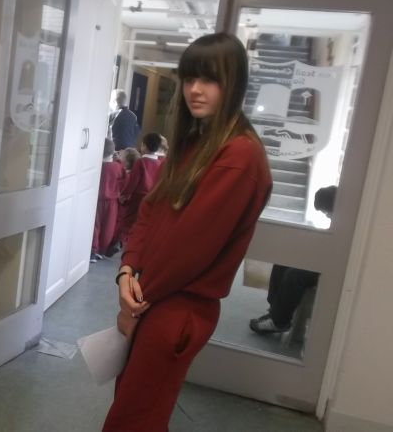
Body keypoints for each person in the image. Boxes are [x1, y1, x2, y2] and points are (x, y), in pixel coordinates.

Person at [105, 33, 272, 431]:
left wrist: (134, 304)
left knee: (134, 419)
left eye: (210, 79)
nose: (195, 89)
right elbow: (150, 210)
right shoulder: (196, 142)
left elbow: (189, 249)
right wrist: (127, 269)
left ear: (234, 83)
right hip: (154, 296)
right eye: (189, 78)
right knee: (135, 408)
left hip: (175, 305)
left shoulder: (239, 156)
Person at [249, 185, 336, 334]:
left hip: (332, 266)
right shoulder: (339, 216)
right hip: (323, 258)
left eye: (327, 212)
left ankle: (279, 322)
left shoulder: (348, 221)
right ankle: (274, 311)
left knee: (294, 275)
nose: (327, 216)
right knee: (283, 261)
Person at [117, 132, 164, 251]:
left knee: (128, 221)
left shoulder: (141, 162)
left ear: (144, 146)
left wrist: (124, 195)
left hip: (137, 197)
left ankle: (123, 243)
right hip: (151, 197)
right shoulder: (160, 163)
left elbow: (133, 181)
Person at [92, 138, 126, 262]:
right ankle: (102, 250)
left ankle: (93, 251)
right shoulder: (118, 167)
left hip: (96, 199)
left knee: (95, 226)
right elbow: (124, 181)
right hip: (112, 201)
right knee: (108, 226)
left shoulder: (96, 166)